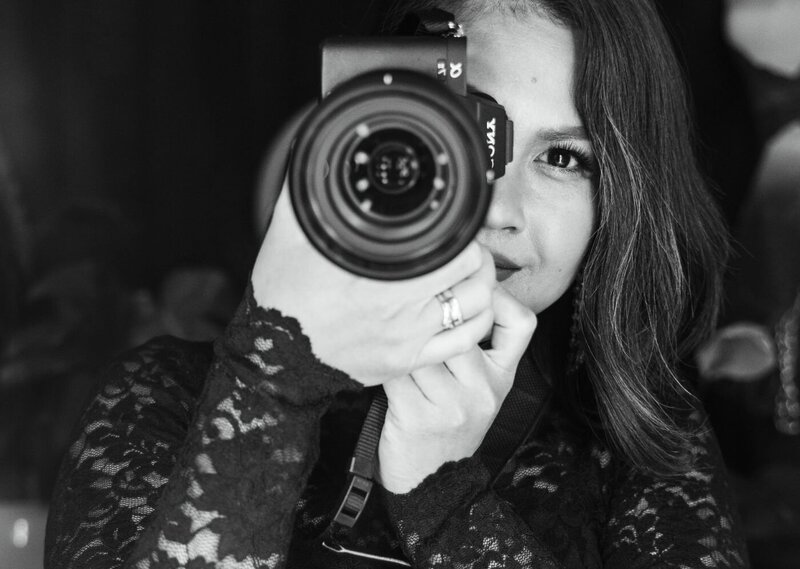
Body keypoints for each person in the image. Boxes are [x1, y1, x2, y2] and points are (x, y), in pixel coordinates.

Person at [44, 0, 750, 567]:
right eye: (469, 136)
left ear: (621, 197)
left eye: (564, 157)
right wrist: (273, 382)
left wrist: (444, 499)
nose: (500, 209)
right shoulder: (157, 400)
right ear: (368, 137)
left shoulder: (649, 453)